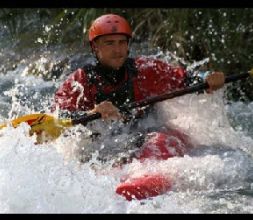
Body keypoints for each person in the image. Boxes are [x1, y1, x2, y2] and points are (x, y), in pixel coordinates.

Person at [54, 14, 225, 165]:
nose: (117, 50)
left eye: (122, 42)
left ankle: (147, 173)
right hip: (100, 148)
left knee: (161, 139)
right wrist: (92, 112)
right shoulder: (80, 81)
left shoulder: (145, 69)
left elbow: (185, 79)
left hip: (143, 136)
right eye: (109, 43)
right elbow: (58, 117)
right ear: (95, 47)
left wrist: (207, 78)